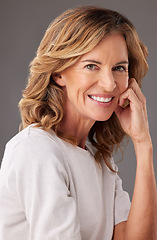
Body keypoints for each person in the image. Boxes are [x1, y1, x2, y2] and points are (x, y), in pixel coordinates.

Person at [0, 6, 156, 240]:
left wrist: (143, 144)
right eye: (92, 66)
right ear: (58, 72)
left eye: (119, 68)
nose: (109, 84)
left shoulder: (100, 160)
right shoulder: (37, 150)